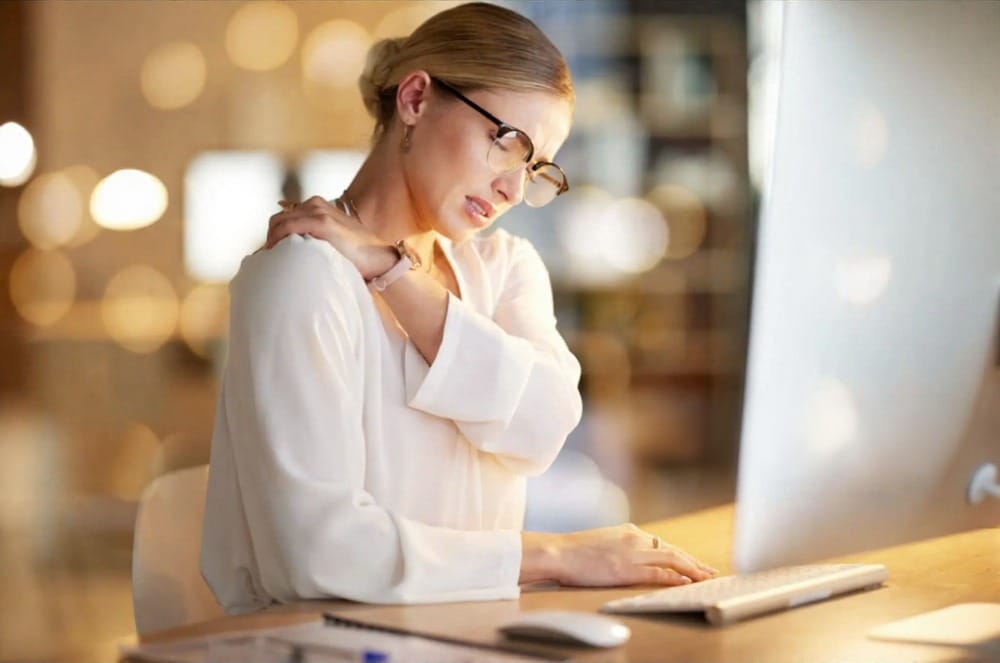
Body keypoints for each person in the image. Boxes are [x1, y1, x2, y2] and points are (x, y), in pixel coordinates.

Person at [200, 2, 716, 614]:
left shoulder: (503, 269)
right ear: (415, 99)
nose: (514, 189)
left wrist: (392, 273)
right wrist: (555, 558)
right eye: (508, 143)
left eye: (536, 167)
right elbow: (319, 555)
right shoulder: (299, 277)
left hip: (472, 636)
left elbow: (543, 428)